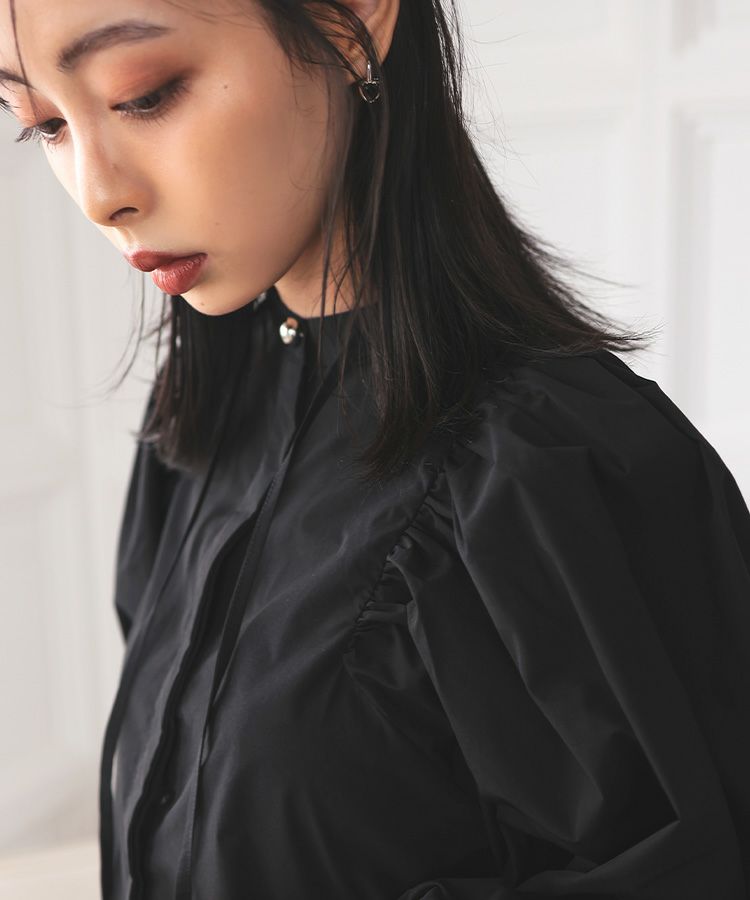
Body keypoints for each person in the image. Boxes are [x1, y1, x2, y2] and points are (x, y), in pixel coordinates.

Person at [2, 0, 749, 898]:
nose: (96, 195)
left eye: (145, 94)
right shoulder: (202, 423)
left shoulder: (551, 468)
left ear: (351, 17)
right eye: (42, 124)